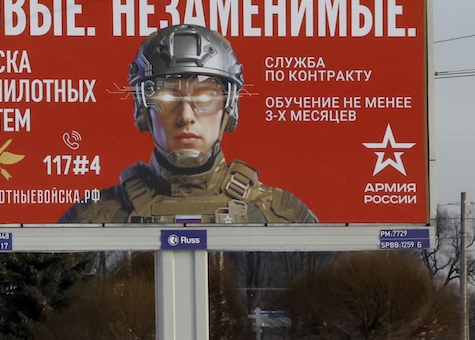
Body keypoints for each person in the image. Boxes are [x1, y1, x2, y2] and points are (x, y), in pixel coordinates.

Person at [59, 23, 317, 224]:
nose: (186, 116)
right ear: (142, 107)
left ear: (229, 106)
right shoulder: (94, 216)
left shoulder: (281, 215)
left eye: (205, 96)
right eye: (168, 95)